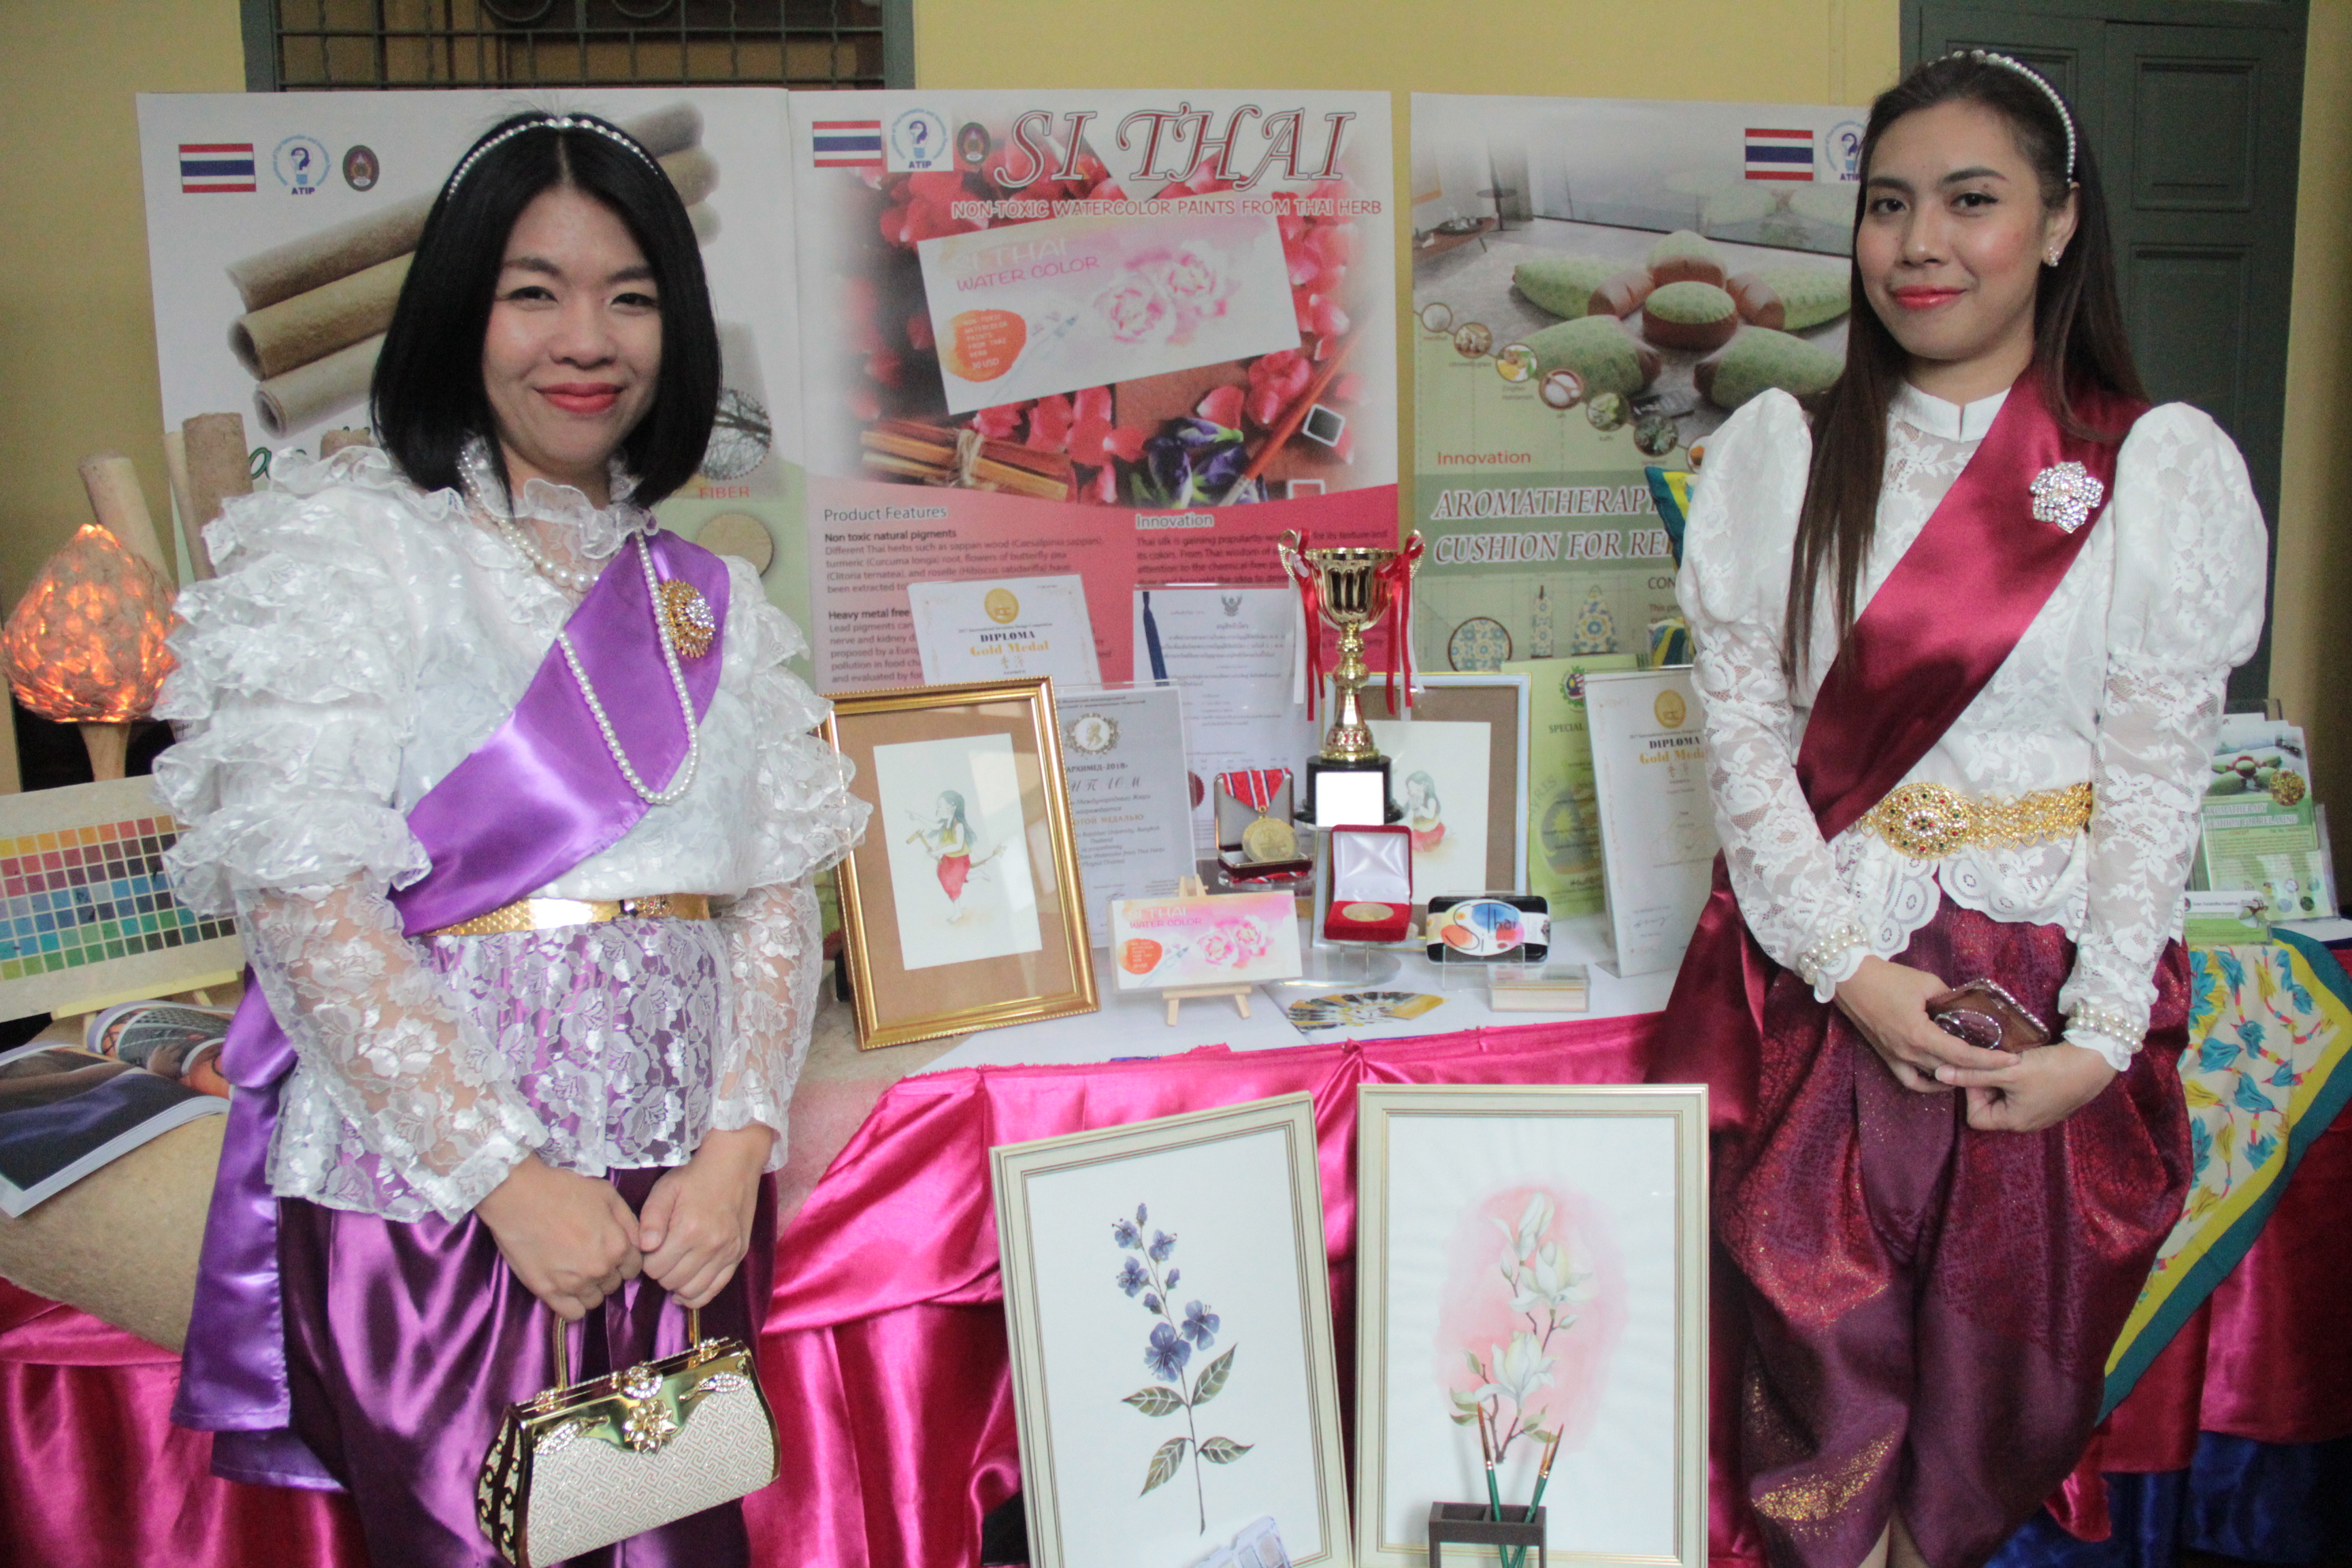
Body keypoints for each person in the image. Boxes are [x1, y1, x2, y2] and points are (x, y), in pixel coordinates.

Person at [159, 112, 866, 1567]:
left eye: (631, 297)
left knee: (669, 1548)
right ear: (456, 311)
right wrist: (506, 1179)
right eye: (533, 292)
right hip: (448, 1209)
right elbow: (303, 897)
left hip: (678, 1218)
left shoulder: (704, 600)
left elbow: (773, 890)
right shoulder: (355, 548)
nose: (586, 340)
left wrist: (737, 1146)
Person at [1657, 52, 2266, 1568]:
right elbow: (1745, 743)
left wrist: (2099, 1043)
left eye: (1970, 201)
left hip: (2043, 1002)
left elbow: (2157, 777)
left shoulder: (2149, 471)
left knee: (2000, 1393)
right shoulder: (1788, 454)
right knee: (1817, 1373)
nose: (1919, 244)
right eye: (1888, 206)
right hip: (1832, 987)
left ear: (2058, 224)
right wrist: (1849, 974)